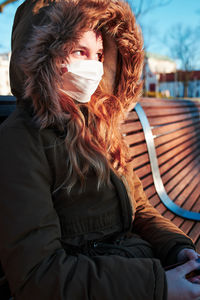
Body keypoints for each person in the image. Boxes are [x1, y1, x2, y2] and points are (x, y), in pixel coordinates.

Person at [0, 0, 200, 299]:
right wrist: (159, 284)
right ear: (43, 53)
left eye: (100, 55)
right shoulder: (21, 140)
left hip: (137, 270)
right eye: (80, 51)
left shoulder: (100, 125)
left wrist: (178, 248)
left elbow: (140, 210)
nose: (94, 67)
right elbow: (37, 276)